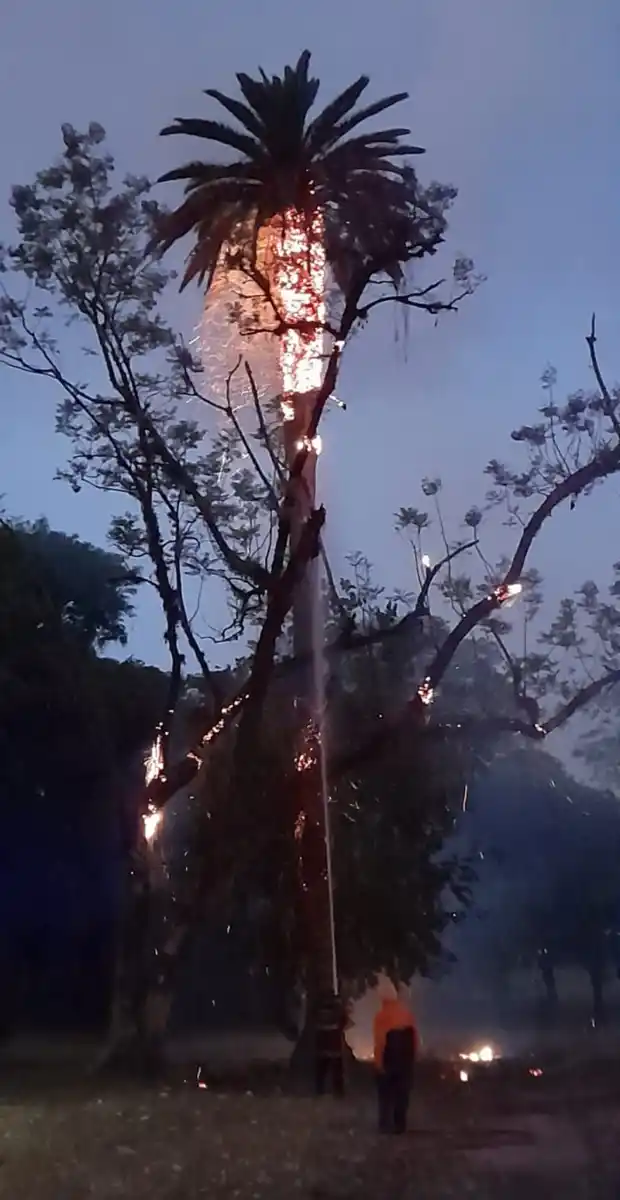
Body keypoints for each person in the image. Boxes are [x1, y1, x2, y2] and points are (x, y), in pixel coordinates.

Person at [373, 979, 417, 1134]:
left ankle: (384, 1123)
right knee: (402, 1093)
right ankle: (400, 1124)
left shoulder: (381, 1016)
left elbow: (380, 1042)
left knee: (385, 1094)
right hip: (405, 1060)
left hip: (389, 1059)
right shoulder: (407, 1014)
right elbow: (414, 1038)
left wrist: (378, 1064)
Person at [315, 991, 348, 1097]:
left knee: (322, 1069)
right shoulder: (337, 1009)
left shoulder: (318, 1009)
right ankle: (338, 1091)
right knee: (337, 1070)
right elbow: (344, 1021)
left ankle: (319, 1090)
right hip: (334, 1044)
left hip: (323, 1044)